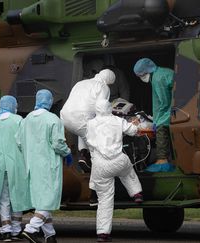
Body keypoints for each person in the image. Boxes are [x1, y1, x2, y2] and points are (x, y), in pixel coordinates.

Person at [16, 89, 72, 243]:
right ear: (50, 101)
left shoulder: (25, 120)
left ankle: (50, 235)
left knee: (41, 201)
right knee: (48, 200)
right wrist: (67, 153)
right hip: (48, 167)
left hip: (31, 166)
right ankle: (31, 229)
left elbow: (19, 142)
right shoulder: (53, 119)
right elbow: (58, 143)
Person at [86, 99, 143, 242]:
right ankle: (136, 193)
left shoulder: (90, 124)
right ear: (109, 108)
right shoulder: (117, 120)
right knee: (127, 169)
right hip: (118, 160)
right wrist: (135, 124)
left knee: (105, 200)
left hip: (99, 167)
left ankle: (103, 233)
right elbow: (133, 131)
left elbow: (88, 141)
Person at [0, 96, 31, 242]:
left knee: (3, 198)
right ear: (13, 105)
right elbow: (24, 143)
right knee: (17, 197)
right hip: (16, 165)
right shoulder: (19, 120)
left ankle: (5, 230)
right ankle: (16, 230)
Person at [60, 69, 116, 169]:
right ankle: (98, 167)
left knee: (83, 130)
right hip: (81, 118)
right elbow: (101, 108)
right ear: (108, 80)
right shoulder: (104, 87)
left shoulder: (80, 83)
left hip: (65, 117)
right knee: (97, 143)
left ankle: (83, 155)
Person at [133, 58, 176, 172]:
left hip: (172, 108)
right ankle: (167, 159)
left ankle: (162, 161)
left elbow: (164, 102)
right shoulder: (160, 73)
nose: (141, 78)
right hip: (172, 107)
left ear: (146, 71)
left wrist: (157, 120)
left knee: (162, 127)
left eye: (141, 75)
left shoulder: (158, 79)